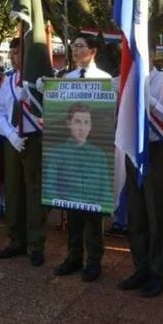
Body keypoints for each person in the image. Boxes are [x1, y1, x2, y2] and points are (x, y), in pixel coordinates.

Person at [116, 45, 163, 298]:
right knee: (136, 215)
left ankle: (157, 273)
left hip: (155, 152)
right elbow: (101, 89)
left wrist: (151, 101)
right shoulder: (126, 80)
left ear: (151, 53)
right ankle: (140, 268)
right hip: (133, 150)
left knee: (156, 217)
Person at [53, 34, 111, 283]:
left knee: (92, 212)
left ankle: (94, 260)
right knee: (73, 211)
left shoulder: (104, 79)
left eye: (80, 46)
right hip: (70, 153)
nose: (75, 50)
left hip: (94, 149)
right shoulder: (67, 79)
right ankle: (73, 256)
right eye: (73, 46)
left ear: (93, 51)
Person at [0, 37, 48, 266]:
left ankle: (36, 244)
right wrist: (10, 134)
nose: (13, 57)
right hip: (12, 141)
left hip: (34, 140)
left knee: (34, 193)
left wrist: (35, 99)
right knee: (14, 193)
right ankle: (16, 240)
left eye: (17, 52)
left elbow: (52, 113)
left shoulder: (42, 81)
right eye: (12, 52)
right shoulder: (8, 82)